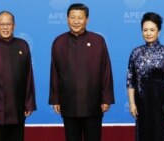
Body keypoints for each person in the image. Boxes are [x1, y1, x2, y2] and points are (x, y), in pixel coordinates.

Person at [49, 3, 114, 141]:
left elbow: (106, 70)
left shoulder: (98, 41)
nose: (76, 21)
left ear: (87, 20)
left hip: (93, 103)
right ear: (67, 19)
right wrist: (55, 99)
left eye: (80, 17)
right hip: (68, 103)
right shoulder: (59, 42)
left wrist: (106, 98)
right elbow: (54, 72)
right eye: (72, 17)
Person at [0, 11, 36, 141]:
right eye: (2, 24)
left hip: (18, 107)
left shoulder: (23, 45)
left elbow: (29, 77)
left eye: (8, 24)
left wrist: (29, 104)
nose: (5, 27)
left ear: (14, 26)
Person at [126, 12, 164, 141]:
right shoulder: (136, 53)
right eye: (145, 30)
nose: (148, 33)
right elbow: (130, 80)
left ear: (159, 32)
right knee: (143, 134)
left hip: (162, 102)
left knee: (161, 135)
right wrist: (132, 103)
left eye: (152, 30)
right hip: (142, 101)